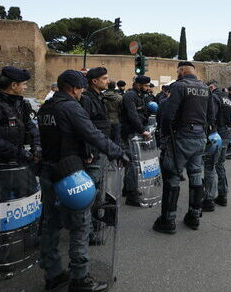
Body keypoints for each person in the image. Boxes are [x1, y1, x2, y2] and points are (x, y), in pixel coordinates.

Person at [37, 70, 125, 292]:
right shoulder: (71, 107)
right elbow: (91, 133)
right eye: (81, 88)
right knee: (80, 225)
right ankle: (80, 279)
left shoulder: (46, 108)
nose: (82, 92)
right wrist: (116, 151)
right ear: (74, 88)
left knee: (50, 224)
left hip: (48, 171)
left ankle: (53, 273)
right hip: (69, 174)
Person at [153, 61, 212, 233]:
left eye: (178, 70)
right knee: (195, 175)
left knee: (172, 176)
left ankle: (168, 220)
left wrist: (164, 135)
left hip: (181, 138)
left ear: (182, 70)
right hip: (200, 137)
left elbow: (168, 115)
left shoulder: (179, 86)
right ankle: (194, 216)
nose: (177, 73)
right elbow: (210, 115)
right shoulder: (204, 88)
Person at [79, 67, 113, 245]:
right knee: (90, 192)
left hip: (100, 150)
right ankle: (88, 231)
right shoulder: (87, 100)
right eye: (105, 78)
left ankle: (94, 222)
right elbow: (85, 128)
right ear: (94, 81)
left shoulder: (98, 97)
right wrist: (88, 152)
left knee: (98, 189)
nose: (107, 81)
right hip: (93, 152)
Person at [202, 80, 231, 211]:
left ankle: (209, 199)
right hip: (227, 135)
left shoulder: (214, 97)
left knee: (210, 166)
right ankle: (223, 195)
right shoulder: (227, 99)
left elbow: (211, 117)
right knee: (220, 165)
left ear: (211, 87)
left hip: (217, 135)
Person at [120, 75, 152, 206]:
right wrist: (142, 130)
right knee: (133, 163)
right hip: (130, 133)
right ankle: (132, 195)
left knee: (131, 162)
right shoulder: (130, 96)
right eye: (146, 85)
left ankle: (127, 188)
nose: (148, 88)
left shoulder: (138, 95)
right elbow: (133, 116)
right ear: (138, 84)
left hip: (134, 132)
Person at [102, 81, 123, 145]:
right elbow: (121, 109)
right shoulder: (119, 97)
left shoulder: (102, 96)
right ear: (114, 86)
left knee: (106, 138)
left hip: (105, 119)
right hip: (116, 119)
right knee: (116, 138)